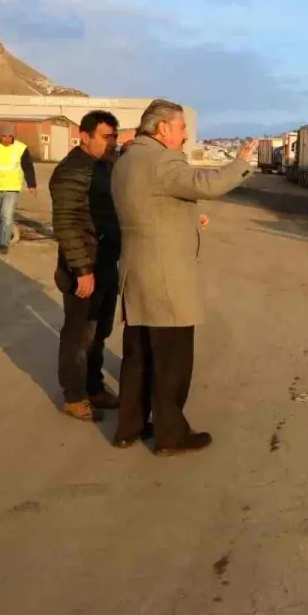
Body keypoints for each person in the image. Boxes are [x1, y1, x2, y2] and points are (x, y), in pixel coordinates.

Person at [110, 99, 256, 455]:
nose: (185, 134)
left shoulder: (127, 159)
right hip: (165, 277)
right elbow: (205, 184)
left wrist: (189, 219)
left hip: (136, 270)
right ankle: (170, 436)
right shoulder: (162, 159)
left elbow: (152, 206)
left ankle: (128, 428)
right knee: (172, 360)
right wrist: (240, 162)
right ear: (162, 129)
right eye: (180, 127)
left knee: (138, 355)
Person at [50, 110, 123, 423]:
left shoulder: (103, 165)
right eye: (106, 137)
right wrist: (82, 270)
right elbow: (66, 223)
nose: (112, 143)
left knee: (100, 331)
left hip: (106, 260)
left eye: (114, 137)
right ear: (85, 135)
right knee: (79, 334)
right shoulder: (71, 171)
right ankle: (74, 396)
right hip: (85, 266)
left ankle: (93, 387)